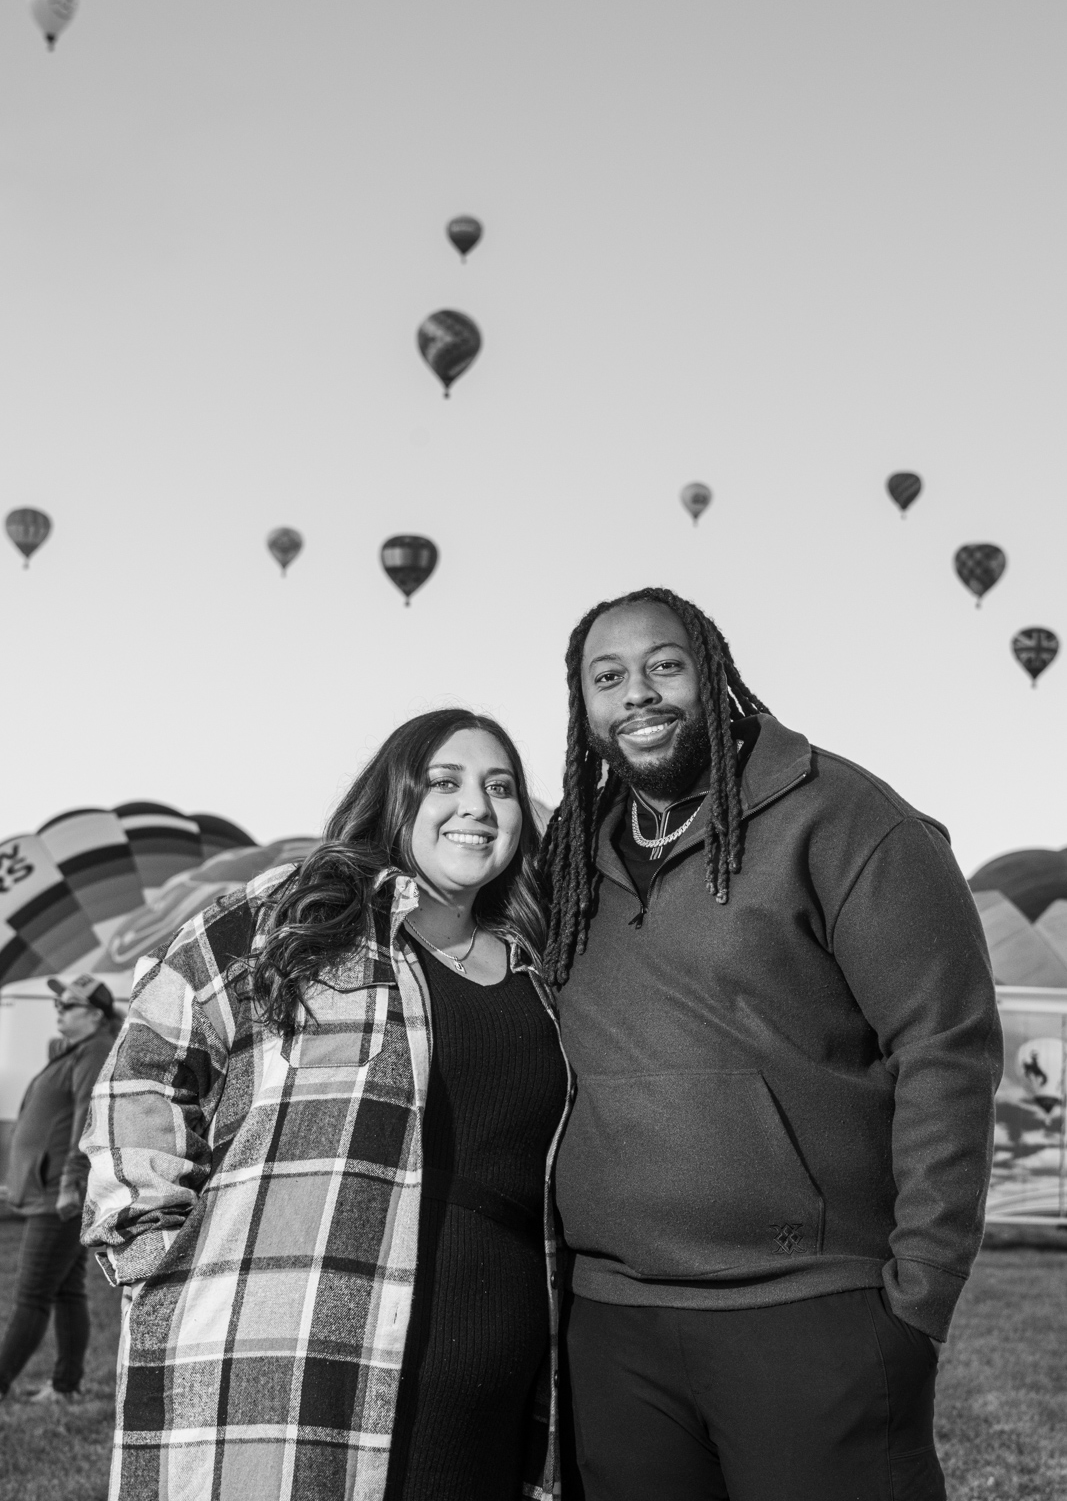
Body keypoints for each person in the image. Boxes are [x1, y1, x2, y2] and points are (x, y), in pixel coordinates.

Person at [540, 587, 1003, 1501]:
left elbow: (945, 1047)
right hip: (612, 1324)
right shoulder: (570, 848)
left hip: (810, 1309)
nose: (636, 692)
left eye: (663, 666)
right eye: (607, 677)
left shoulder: (842, 815)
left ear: (712, 673)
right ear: (581, 705)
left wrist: (920, 1300)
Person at [82, 709, 571, 1501]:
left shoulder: (538, 971)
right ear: (396, 798)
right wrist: (152, 1254)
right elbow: (147, 1068)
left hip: (494, 1382)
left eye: (501, 787)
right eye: (445, 782)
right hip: (298, 1356)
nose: (477, 806)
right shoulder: (295, 917)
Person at [0, 973, 120, 1404]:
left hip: (60, 1197)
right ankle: (66, 1386)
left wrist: (71, 1184)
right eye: (59, 1004)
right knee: (68, 1290)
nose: (59, 1010)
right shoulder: (76, 1052)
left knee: (31, 1295)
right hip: (49, 1193)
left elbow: (87, 1122)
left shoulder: (95, 1051)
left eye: (67, 1005)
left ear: (94, 1014)